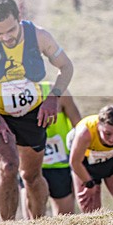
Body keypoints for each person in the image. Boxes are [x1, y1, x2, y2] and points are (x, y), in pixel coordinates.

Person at [0, 0, 74, 220]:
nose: (6, 37)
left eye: (11, 30)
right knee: (8, 167)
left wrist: (53, 97)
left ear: (19, 17)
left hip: (31, 114)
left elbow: (66, 66)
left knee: (31, 176)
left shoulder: (38, 36)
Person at [68, 105, 113, 212]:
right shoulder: (85, 134)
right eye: (107, 133)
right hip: (84, 165)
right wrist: (89, 183)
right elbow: (75, 162)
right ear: (98, 126)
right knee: (92, 210)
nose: (112, 139)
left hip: (112, 159)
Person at [34, 82, 82, 215]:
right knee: (33, 220)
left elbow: (79, 127)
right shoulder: (10, 94)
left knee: (64, 218)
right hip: (30, 165)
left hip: (60, 164)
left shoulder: (57, 91)